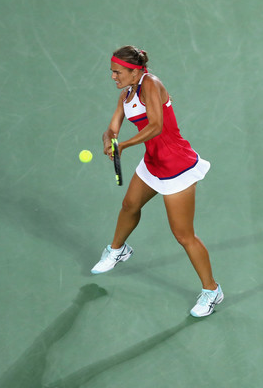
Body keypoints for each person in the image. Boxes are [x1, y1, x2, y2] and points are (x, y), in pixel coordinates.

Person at [91, 45, 222, 317]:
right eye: (112, 72)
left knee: (183, 235)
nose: (113, 77)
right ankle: (117, 250)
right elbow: (112, 127)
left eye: (117, 72)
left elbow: (156, 126)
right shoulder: (126, 95)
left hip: (176, 165)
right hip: (153, 163)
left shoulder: (151, 84)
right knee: (129, 205)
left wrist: (123, 145)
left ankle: (212, 291)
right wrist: (109, 140)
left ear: (134, 71)